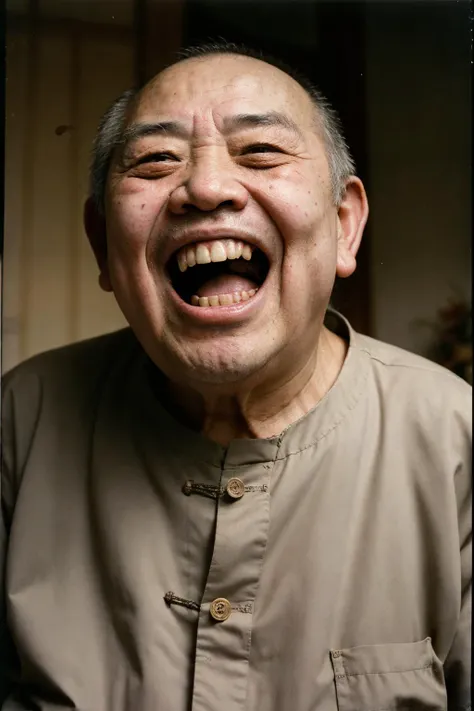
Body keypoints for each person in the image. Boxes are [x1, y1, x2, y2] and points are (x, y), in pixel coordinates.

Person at [0, 42, 471, 711]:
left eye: (261, 152)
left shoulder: (459, 443)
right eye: (156, 161)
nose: (206, 188)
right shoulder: (20, 422)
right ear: (103, 242)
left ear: (344, 224)